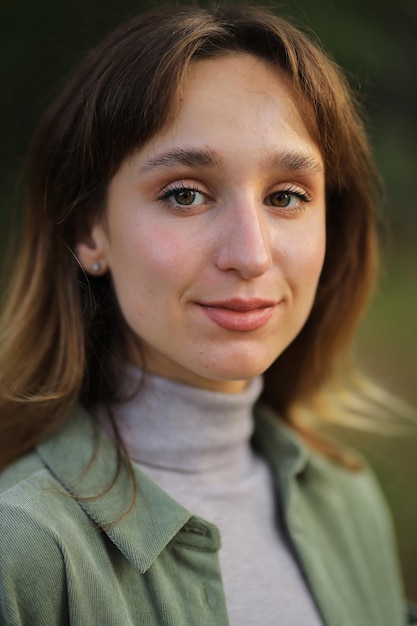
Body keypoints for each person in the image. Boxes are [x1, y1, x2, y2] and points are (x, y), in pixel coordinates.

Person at [0, 4, 414, 625]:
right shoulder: (23, 549)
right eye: (185, 194)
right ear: (91, 230)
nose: (250, 254)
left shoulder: (346, 498)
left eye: (286, 197)